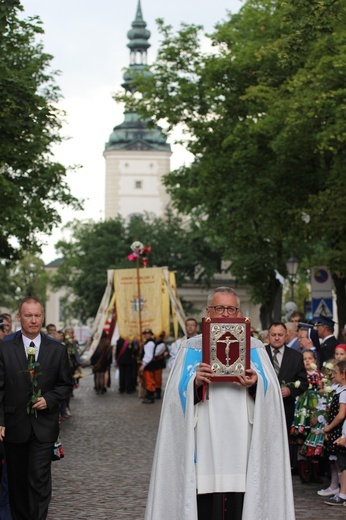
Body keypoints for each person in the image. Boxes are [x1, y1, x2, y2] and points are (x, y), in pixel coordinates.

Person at [144, 287, 295, 520]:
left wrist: (256, 383)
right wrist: (193, 382)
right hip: (203, 438)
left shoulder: (255, 347)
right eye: (220, 308)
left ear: (239, 312)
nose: (225, 314)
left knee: (242, 494)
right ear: (208, 311)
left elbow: (272, 394)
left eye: (231, 308)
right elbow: (174, 397)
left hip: (243, 438)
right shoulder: (190, 348)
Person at [0, 296, 73, 520]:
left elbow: (65, 384)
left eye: (37, 315)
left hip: (44, 427)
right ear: (19, 317)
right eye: (28, 315)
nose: (33, 320)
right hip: (14, 426)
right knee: (18, 482)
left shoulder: (57, 349)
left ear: (43, 317)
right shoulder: (4, 349)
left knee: (39, 480)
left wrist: (49, 400)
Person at [265, 322, 308, 435]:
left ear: (286, 336)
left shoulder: (296, 356)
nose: (277, 338)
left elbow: (303, 382)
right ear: (268, 336)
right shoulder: (260, 354)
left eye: (280, 334)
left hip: (285, 408)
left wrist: (290, 390)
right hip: (263, 406)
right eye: (273, 335)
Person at [322, 360, 346, 506]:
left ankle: (343, 493)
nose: (333, 376)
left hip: (340, 431)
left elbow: (341, 414)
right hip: (340, 431)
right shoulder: (340, 390)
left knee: (343, 464)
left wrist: (329, 427)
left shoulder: (344, 393)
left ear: (343, 375)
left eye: (336, 373)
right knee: (340, 462)